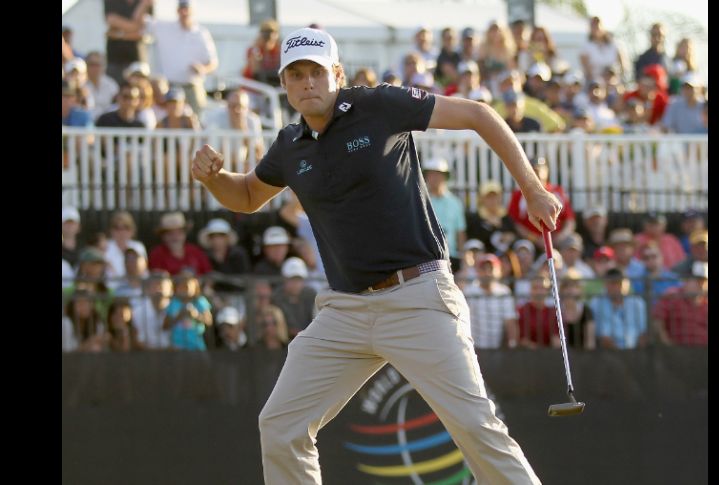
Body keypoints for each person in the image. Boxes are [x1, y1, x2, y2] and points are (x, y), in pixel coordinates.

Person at [191, 27, 561, 484]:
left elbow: (479, 114)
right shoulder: (289, 145)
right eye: (296, 75)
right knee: (281, 424)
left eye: (317, 72)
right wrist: (213, 179)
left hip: (419, 297)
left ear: (337, 74)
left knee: (475, 427)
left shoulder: (379, 105)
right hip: (344, 309)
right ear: (284, 85)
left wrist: (531, 188)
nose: (308, 82)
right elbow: (247, 195)